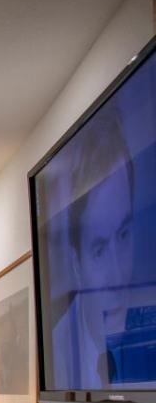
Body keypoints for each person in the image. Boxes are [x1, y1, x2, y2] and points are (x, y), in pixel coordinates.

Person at [54, 108, 136, 388]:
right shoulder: (57, 355)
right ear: (76, 263)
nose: (118, 276)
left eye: (124, 235)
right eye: (99, 250)